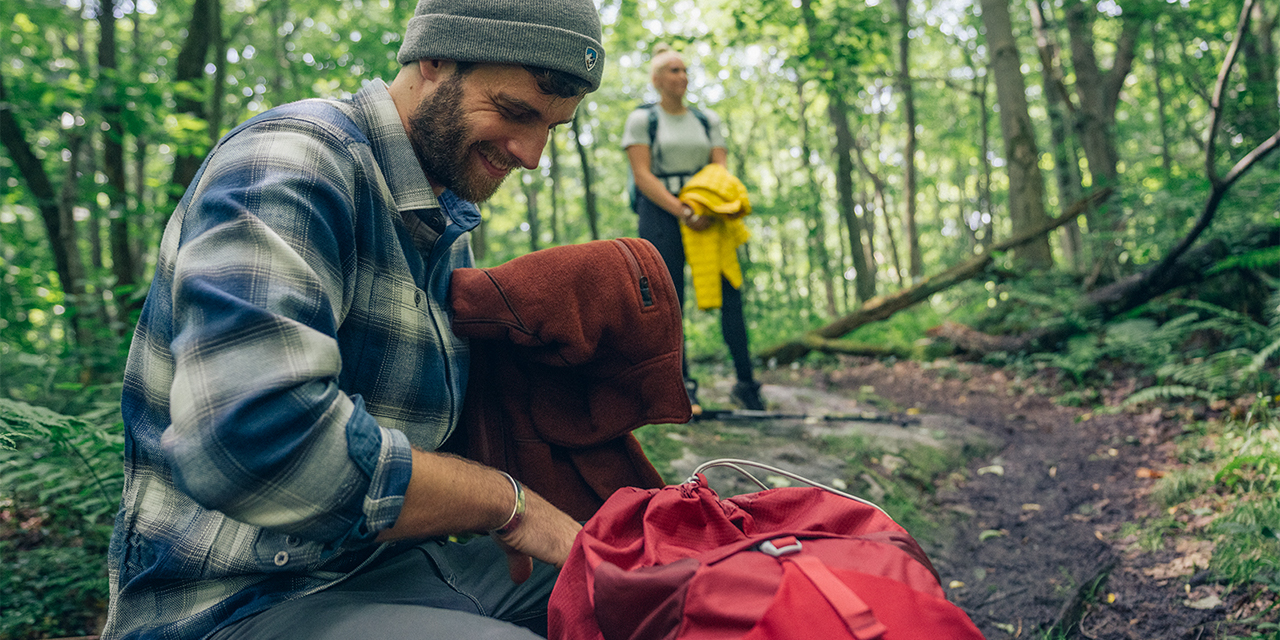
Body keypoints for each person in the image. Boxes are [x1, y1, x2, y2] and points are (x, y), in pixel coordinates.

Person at [102, 1, 606, 638]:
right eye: (514, 111)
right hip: (235, 602)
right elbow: (254, 441)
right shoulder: (294, 161)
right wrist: (507, 503)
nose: (532, 155)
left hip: (387, 569)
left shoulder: (442, 223)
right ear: (434, 58)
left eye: (552, 127)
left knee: (652, 581)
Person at [622, 44, 765, 413]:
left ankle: (746, 383)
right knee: (670, 298)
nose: (682, 76)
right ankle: (681, 386)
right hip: (661, 212)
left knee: (731, 292)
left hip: (708, 211)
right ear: (657, 79)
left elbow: (720, 168)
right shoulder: (642, 119)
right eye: (673, 70)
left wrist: (706, 207)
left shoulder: (706, 119)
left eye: (685, 70)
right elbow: (642, 175)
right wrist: (681, 211)